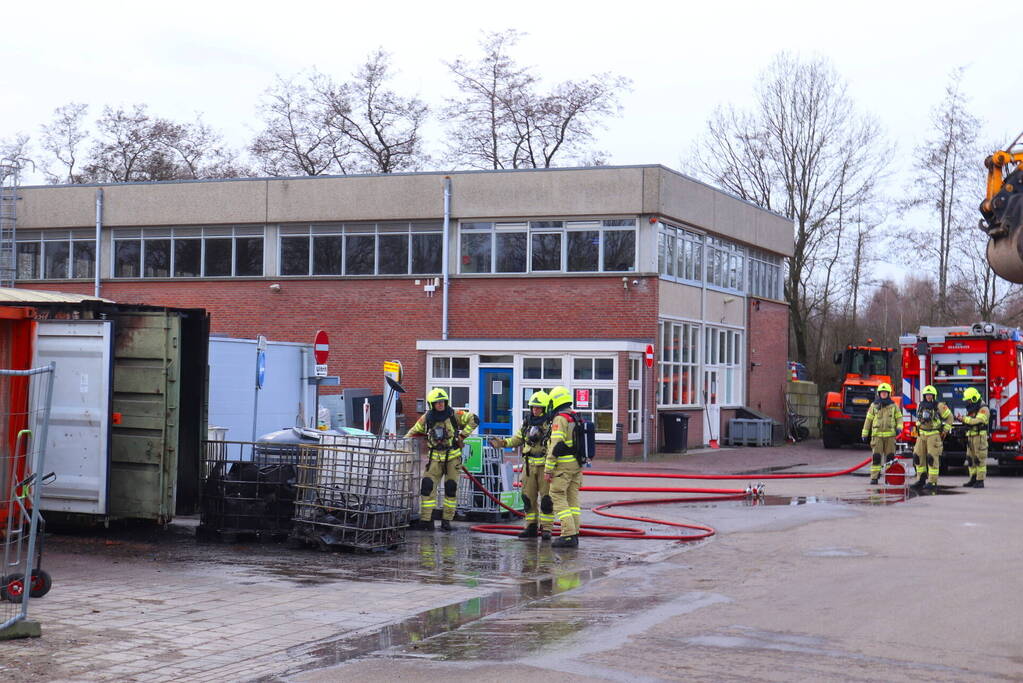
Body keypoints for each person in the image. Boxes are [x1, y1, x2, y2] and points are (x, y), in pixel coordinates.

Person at [406, 388, 479, 530]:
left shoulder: (454, 415)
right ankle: (427, 521)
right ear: (431, 404)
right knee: (427, 487)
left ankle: (447, 521)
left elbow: (474, 419)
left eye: (442, 402)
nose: (440, 404)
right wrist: (400, 444)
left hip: (452, 459)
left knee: (451, 488)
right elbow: (413, 431)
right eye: (437, 402)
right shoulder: (427, 418)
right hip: (434, 459)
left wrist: (462, 436)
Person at [490, 390, 553, 541]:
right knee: (527, 498)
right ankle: (530, 526)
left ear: (545, 409)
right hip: (528, 467)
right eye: (533, 407)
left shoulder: (551, 425)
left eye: (538, 408)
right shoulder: (527, 423)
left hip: (545, 467)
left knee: (546, 500)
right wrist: (503, 443)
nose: (535, 410)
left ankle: (546, 529)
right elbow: (517, 439)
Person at [544, 386, 582, 548]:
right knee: (572, 501)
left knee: (557, 496)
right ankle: (575, 533)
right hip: (577, 465)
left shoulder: (560, 419)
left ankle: (567, 535)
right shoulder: (576, 417)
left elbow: (555, 445)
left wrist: (548, 469)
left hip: (563, 466)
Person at [912, 385, 953, 493]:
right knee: (917, 456)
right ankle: (921, 479)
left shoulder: (939, 405)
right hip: (921, 435)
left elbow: (950, 417)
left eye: (930, 395)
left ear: (933, 395)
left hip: (933, 435)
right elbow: (918, 418)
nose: (928, 397)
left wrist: (945, 430)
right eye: (927, 395)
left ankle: (932, 482)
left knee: (932, 458)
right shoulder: (920, 405)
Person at [861, 382, 903, 485]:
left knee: (890, 459)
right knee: (876, 458)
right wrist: (864, 433)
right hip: (877, 437)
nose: (883, 394)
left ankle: (889, 478)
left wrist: (899, 428)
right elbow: (868, 420)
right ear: (878, 394)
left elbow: (899, 418)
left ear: (889, 394)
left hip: (890, 437)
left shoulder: (894, 406)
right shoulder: (874, 406)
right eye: (882, 393)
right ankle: (874, 477)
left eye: (885, 393)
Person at [959, 387, 989, 489]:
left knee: (979, 459)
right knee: (970, 459)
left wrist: (964, 419)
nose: (967, 402)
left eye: (969, 400)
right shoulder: (973, 408)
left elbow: (976, 421)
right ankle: (973, 478)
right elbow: (970, 421)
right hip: (971, 437)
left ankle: (980, 480)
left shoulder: (984, 409)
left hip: (979, 438)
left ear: (974, 398)